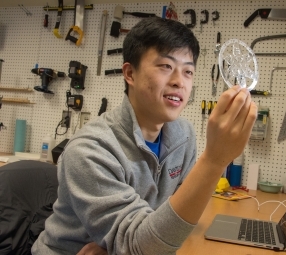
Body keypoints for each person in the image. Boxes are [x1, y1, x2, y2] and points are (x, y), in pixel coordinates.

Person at [32, 17, 257, 255]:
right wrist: (214, 160)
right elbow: (138, 247)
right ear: (130, 73)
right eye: (166, 66)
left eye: (188, 71)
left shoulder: (185, 136)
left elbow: (178, 214)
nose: (179, 82)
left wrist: (125, 245)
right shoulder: (90, 150)